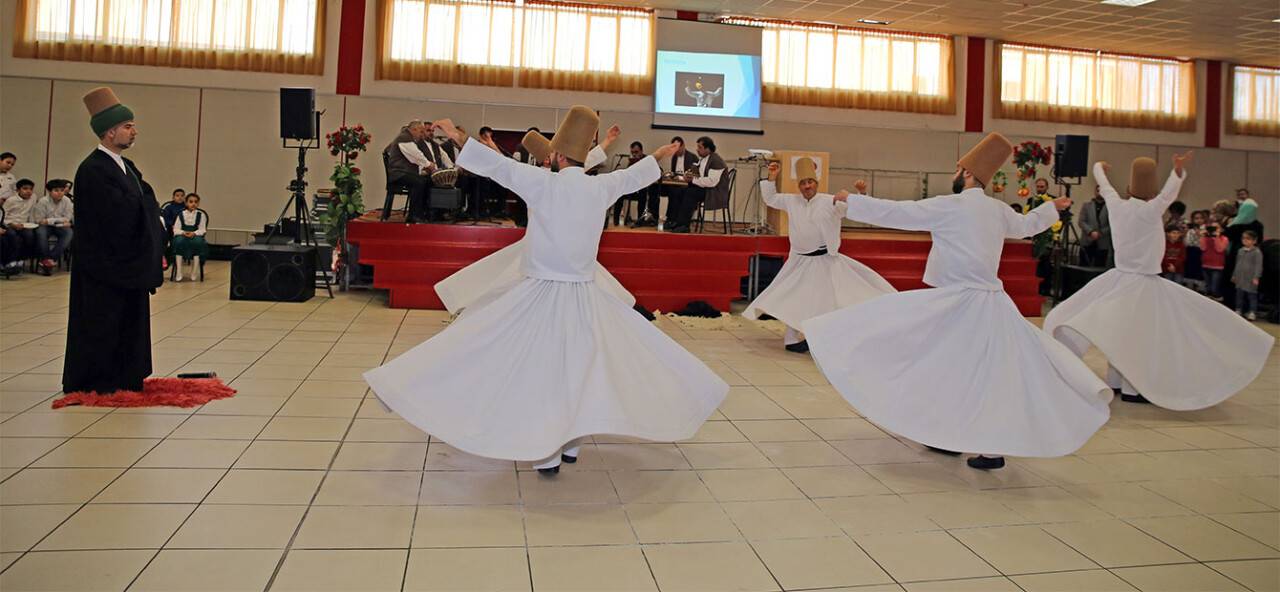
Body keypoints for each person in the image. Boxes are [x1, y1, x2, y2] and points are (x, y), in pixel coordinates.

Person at [364, 108, 728, 475]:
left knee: (537, 370)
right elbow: (633, 176)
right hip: (585, 297)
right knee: (578, 370)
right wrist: (660, 155)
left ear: (555, 156)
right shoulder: (600, 186)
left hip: (538, 295)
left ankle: (548, 452)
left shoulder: (542, 182)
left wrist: (458, 137)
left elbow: (497, 167)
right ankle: (569, 445)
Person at [804, 133, 1110, 471]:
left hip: (955, 304)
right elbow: (1026, 226)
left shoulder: (950, 206)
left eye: (957, 168)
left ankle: (946, 435)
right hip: (992, 305)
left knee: (941, 367)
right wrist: (1052, 207)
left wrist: (853, 202)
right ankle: (984, 445)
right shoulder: (997, 210)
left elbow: (901, 214)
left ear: (965, 173)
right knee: (987, 376)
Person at [1043, 155, 1273, 410]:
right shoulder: (1154, 208)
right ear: (1152, 192)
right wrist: (1177, 171)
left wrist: (1099, 168)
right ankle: (1131, 388)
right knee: (1138, 338)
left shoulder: (1116, 204)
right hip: (1145, 285)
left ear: (1129, 188)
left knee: (1118, 334)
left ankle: (1116, 382)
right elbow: (1169, 192)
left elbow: (1105, 185)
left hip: (1118, 280)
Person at [435, 129, 637, 315]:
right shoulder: (540, 178)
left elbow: (586, 159)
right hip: (541, 251)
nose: (552, 156)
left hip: (566, 256)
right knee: (505, 287)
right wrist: (459, 137)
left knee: (602, 290)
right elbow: (502, 165)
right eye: (549, 154)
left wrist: (608, 141)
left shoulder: (571, 179)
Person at [64, 87, 166, 395]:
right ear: (109, 132)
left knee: (128, 322)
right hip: (105, 265)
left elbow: (145, 198)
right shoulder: (92, 169)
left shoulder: (127, 166)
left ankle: (126, 374)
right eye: (127, 126)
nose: (134, 131)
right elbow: (116, 213)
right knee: (103, 321)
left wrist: (149, 213)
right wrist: (145, 210)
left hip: (128, 262)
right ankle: (99, 379)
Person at [744, 158, 895, 352]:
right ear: (799, 186)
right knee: (794, 298)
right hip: (799, 261)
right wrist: (771, 178)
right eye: (803, 183)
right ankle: (791, 340)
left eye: (810, 182)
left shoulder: (829, 201)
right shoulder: (791, 200)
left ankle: (823, 337)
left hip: (825, 261)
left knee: (827, 300)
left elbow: (853, 210)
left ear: (816, 183)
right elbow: (770, 199)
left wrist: (861, 194)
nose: (807, 186)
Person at [666, 136, 728, 233]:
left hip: (714, 192)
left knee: (690, 193)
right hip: (706, 188)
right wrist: (688, 176)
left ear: (707, 149)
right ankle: (675, 221)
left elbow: (711, 182)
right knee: (679, 191)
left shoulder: (716, 161)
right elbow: (698, 173)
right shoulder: (703, 159)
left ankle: (684, 225)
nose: (697, 150)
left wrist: (692, 180)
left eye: (700, 148)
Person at [383, 120, 440, 223]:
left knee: (426, 180)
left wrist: (424, 169)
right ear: (414, 129)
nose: (422, 135)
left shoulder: (408, 138)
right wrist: (429, 165)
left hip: (403, 172)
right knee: (419, 182)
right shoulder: (405, 138)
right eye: (421, 132)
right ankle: (414, 215)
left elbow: (412, 160)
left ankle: (425, 213)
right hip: (398, 174)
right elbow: (416, 156)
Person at [611, 141, 661, 227]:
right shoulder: (631, 161)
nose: (634, 154)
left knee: (643, 193)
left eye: (636, 152)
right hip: (632, 189)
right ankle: (616, 220)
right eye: (632, 152)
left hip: (643, 188)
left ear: (641, 151)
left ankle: (639, 220)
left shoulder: (647, 160)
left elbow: (658, 171)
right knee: (619, 193)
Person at [34, 179, 74, 275]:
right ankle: (46, 260)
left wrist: (49, 220)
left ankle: (50, 259)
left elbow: (67, 218)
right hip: (45, 227)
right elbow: (40, 220)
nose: (59, 193)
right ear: (49, 191)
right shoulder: (43, 201)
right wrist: (57, 220)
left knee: (69, 233)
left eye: (62, 190)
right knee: (40, 233)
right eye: (56, 190)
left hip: (59, 226)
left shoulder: (67, 201)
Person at [171, 192, 209, 281]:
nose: (193, 204)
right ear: (186, 203)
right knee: (178, 241)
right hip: (183, 235)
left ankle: (194, 271)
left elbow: (202, 230)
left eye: (196, 202)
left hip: (195, 235)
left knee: (198, 242)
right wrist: (183, 232)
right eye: (191, 202)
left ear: (198, 203)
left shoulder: (201, 215)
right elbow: (176, 229)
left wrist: (194, 233)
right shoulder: (181, 214)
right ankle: (179, 271)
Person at [3, 179, 39, 262]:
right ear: (18, 190)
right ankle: (11, 261)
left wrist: (33, 223)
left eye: (31, 189)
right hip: (10, 224)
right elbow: (2, 215)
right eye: (25, 189)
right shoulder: (11, 200)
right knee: (12, 236)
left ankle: (21, 259)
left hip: (24, 224)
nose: (28, 191)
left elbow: (32, 212)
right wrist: (11, 224)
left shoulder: (33, 198)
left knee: (30, 236)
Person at [1078, 184, 1112, 267]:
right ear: (1095, 192)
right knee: (1083, 265)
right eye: (1098, 190)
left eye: (1102, 191)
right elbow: (1081, 221)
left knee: (1099, 267)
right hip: (1087, 241)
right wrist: (1091, 232)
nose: (1099, 192)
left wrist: (1100, 233)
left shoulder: (1110, 207)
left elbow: (1112, 224)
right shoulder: (1086, 205)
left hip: (1103, 242)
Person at [1232, 230, 1263, 321]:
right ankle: (1238, 309)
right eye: (1243, 238)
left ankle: (1252, 312)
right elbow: (1237, 264)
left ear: (1254, 241)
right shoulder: (1240, 250)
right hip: (1240, 277)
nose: (1245, 240)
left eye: (1248, 239)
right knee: (1239, 295)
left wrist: (1256, 277)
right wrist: (1234, 275)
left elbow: (1258, 265)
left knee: (1251, 296)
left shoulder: (1257, 252)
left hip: (1250, 278)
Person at [1201, 214, 1229, 299]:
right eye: (1212, 228)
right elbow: (1203, 248)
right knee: (1208, 288)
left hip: (1217, 266)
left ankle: (1218, 300)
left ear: (1221, 229)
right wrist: (1203, 237)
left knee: (1214, 288)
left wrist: (1216, 237)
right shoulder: (1206, 237)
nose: (1214, 230)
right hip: (1205, 265)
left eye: (1216, 228)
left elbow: (1219, 249)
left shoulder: (1224, 238)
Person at [1182, 210, 1207, 292]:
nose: (1199, 220)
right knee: (1189, 273)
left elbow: (1203, 244)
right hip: (1190, 253)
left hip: (1201, 253)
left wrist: (1199, 234)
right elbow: (1187, 243)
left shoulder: (1206, 230)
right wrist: (1185, 233)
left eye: (1201, 218)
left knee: (1199, 274)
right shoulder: (1190, 230)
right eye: (1196, 218)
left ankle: (1200, 290)